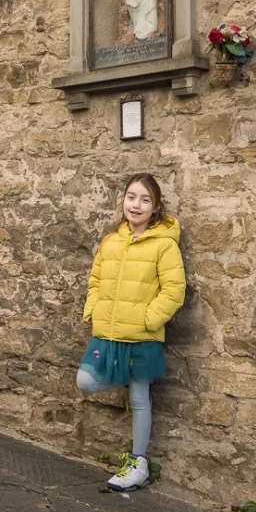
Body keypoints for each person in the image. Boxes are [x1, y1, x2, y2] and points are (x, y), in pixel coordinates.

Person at [77, 173, 186, 492]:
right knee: (86, 381)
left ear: (155, 207)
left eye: (145, 199)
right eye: (131, 197)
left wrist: (149, 319)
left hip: (141, 336)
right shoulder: (110, 240)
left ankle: (138, 464)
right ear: (123, 200)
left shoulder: (164, 244)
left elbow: (174, 290)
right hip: (107, 334)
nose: (136, 204)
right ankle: (122, 375)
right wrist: (92, 310)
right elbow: (95, 281)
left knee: (140, 398)